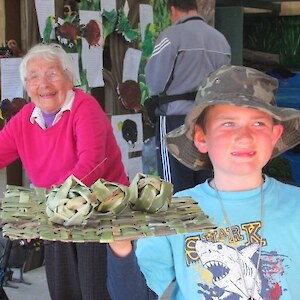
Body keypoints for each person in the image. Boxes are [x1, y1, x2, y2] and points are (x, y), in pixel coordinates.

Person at [107, 65, 300, 299]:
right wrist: (120, 247)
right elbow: (134, 295)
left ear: (274, 135)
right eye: (228, 123)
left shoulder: (296, 206)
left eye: (258, 123)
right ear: (201, 138)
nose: (244, 136)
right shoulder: (173, 214)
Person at [0, 43, 129, 299]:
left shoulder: (85, 106)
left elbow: (91, 163)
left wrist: (56, 202)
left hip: (100, 213)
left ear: (69, 77)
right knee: (63, 289)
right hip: (59, 213)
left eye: (52, 73)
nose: (43, 84)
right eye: (34, 77)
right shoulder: (26, 118)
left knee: (96, 290)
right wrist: (56, 207)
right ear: (27, 85)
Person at [144, 0, 231, 193]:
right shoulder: (220, 40)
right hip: (209, 119)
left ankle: (179, 224)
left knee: (173, 184)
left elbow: (154, 83)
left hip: (175, 119)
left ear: (172, 10)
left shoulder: (170, 37)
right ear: (196, 8)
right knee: (206, 182)